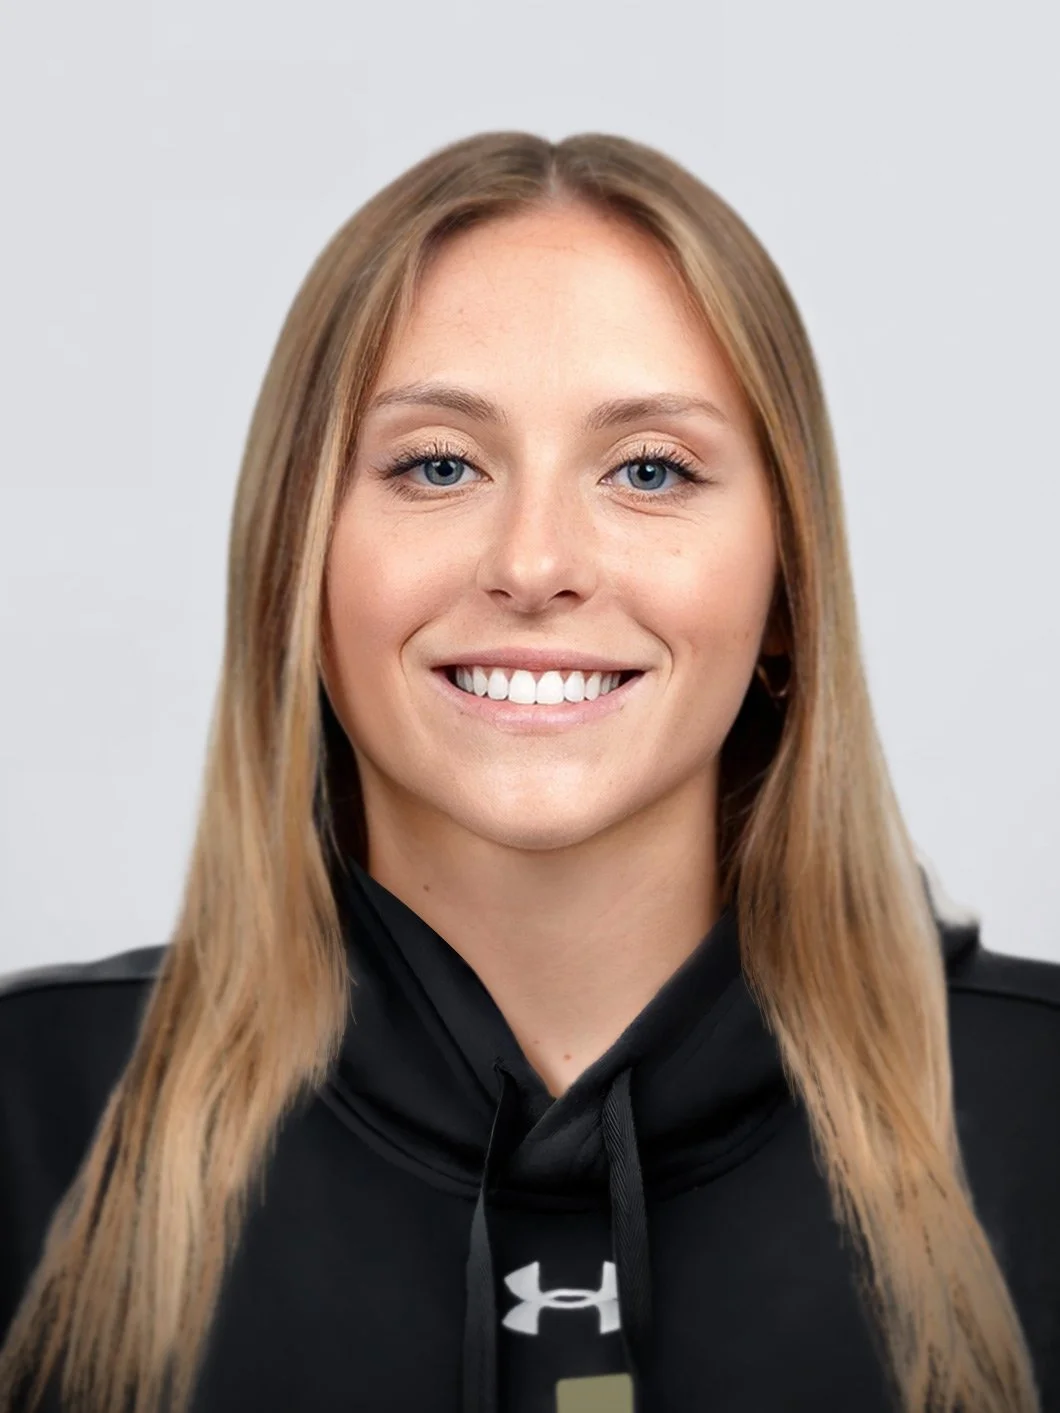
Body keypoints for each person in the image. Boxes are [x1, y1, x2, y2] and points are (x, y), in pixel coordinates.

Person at [0, 131, 1056, 1413]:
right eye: (437, 465)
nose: (534, 563)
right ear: (298, 564)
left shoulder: (1038, 1110)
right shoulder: (31, 1111)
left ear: (786, 593)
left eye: (649, 470)